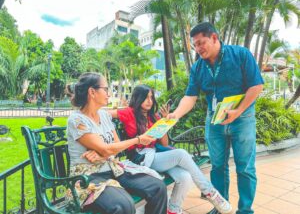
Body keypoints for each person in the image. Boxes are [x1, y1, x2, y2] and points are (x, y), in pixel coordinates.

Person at [167, 22, 264, 214]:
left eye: (201, 43)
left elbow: (256, 86)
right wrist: (175, 115)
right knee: (218, 167)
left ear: (214, 38)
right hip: (215, 120)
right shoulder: (198, 68)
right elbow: (190, 96)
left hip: (242, 118)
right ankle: (221, 207)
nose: (198, 48)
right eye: (195, 45)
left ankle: (245, 210)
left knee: (245, 168)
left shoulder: (241, 54)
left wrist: (239, 110)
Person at [109, 84, 233, 214]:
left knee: (185, 177)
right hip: (140, 159)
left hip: (155, 156)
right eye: (146, 98)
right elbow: (103, 113)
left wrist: (163, 123)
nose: (149, 101)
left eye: (151, 97)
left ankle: (173, 210)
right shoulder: (128, 112)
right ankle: (210, 192)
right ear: (138, 98)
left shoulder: (153, 116)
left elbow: (164, 143)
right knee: (181, 154)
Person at [66, 72, 168, 214]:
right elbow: (107, 149)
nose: (109, 93)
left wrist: (103, 154)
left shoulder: (103, 115)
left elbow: (116, 145)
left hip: (114, 168)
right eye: (106, 89)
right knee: (123, 205)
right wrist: (138, 139)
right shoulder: (77, 120)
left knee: (158, 187)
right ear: (92, 92)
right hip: (89, 177)